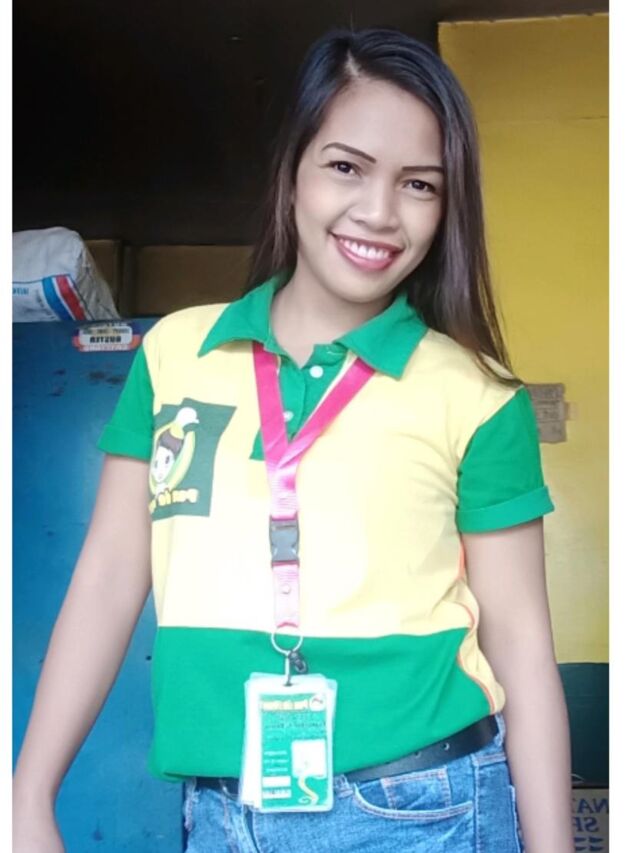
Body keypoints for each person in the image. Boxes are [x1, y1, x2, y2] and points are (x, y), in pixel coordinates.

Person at [13, 27, 574, 853]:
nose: (378, 212)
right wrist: (28, 793)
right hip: (222, 814)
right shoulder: (174, 355)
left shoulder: (478, 396)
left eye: (419, 184)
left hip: (425, 811)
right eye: (347, 167)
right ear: (292, 171)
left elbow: (522, 647)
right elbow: (106, 577)